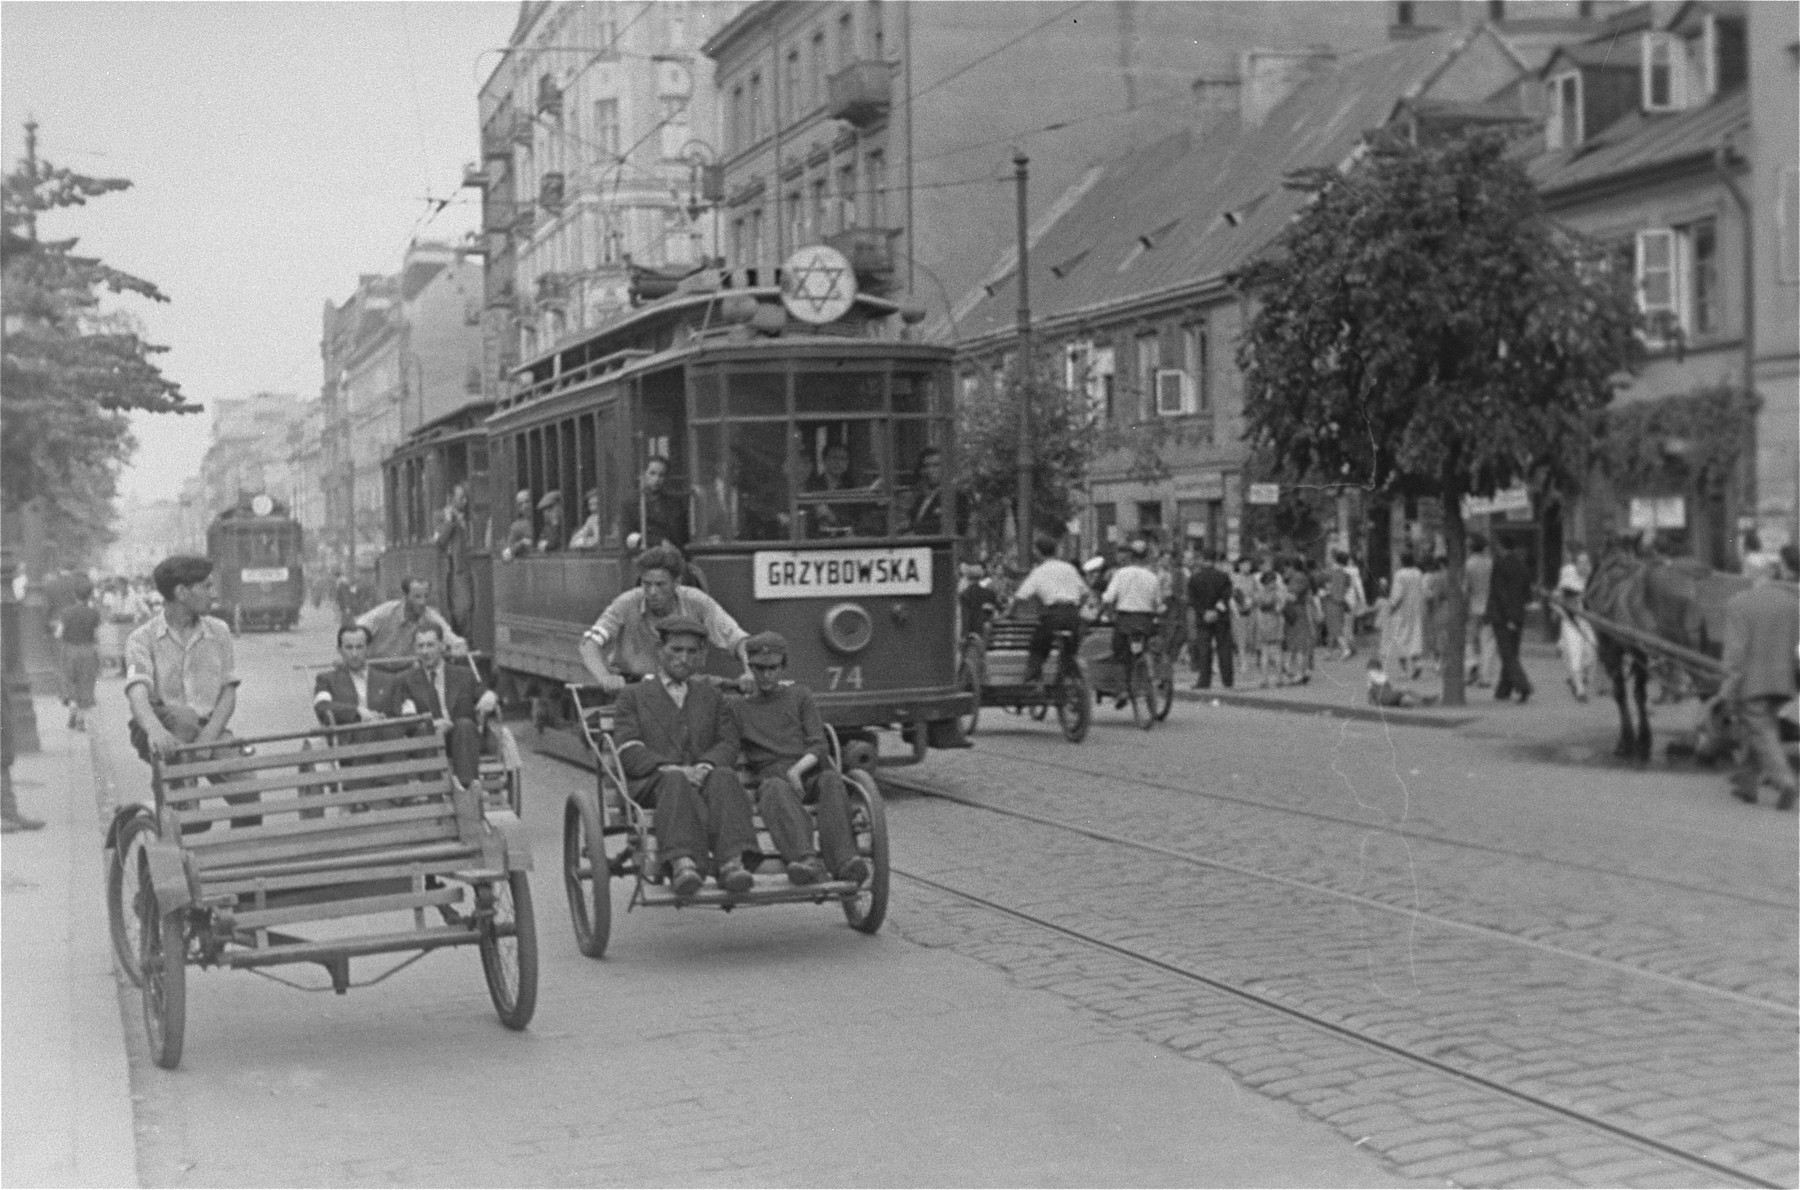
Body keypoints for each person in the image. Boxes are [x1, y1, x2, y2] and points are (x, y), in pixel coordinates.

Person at [612, 616, 758, 896]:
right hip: (654, 783)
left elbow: (727, 742)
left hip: (703, 777)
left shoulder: (711, 696)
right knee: (676, 782)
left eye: (692, 652)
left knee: (725, 776)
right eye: (676, 650)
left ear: (702, 656)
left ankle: (732, 863)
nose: (683, 658)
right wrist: (670, 768)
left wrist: (705, 765)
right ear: (660, 651)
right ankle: (683, 864)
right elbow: (627, 747)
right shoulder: (634, 696)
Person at [123, 555, 257, 828]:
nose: (214, 593)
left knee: (248, 794)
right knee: (189, 818)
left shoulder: (218, 631)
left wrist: (208, 738)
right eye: (206, 587)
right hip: (161, 729)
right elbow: (137, 693)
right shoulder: (141, 639)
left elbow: (228, 692)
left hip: (211, 729)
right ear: (182, 592)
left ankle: (241, 858)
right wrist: (156, 732)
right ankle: (179, 803)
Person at [729, 632, 871, 886]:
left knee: (830, 779)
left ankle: (845, 861)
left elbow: (818, 742)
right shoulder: (739, 708)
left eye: (773, 668)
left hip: (809, 771)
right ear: (750, 669)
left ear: (783, 666)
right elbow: (727, 744)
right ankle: (806, 862)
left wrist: (797, 770)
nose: (767, 675)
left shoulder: (799, 696)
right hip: (775, 779)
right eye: (759, 669)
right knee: (773, 787)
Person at [579, 544, 752, 693]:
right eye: (646, 584)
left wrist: (749, 671)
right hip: (634, 688)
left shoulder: (697, 601)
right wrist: (605, 677)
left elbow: (737, 639)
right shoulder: (627, 602)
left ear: (677, 582)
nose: (652, 592)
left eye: (660, 585)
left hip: (684, 688)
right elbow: (589, 643)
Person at [1721, 554, 1799, 809]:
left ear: (1754, 575)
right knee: (1759, 727)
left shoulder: (1740, 603)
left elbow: (1736, 652)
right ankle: (1747, 784)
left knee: (1761, 730)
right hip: (1784, 681)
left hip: (1752, 682)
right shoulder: (1792, 604)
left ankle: (1784, 780)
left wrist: (1727, 690)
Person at [384, 623, 499, 789]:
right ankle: (434, 793)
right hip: (427, 740)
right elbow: (402, 717)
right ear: (415, 649)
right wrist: (432, 724)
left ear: (442, 646)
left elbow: (484, 693)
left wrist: (490, 695)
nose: (425, 652)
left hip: (459, 739)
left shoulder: (463, 675)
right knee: (424, 730)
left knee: (465, 725)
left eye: (430, 645)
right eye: (420, 646)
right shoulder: (406, 680)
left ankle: (466, 790)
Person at [1009, 535, 1089, 686]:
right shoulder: (1069, 568)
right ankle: (1070, 672)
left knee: (1039, 644)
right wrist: (1077, 608)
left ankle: (1032, 675)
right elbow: (1085, 593)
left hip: (1053, 615)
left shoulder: (1039, 571)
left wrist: (1010, 613)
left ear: (1038, 552)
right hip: (1072, 615)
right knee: (1071, 648)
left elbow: (1020, 596)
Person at [356, 577, 466, 664]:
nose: (422, 602)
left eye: (426, 596)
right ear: (405, 596)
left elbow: (452, 638)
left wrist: (459, 646)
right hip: (377, 670)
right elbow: (356, 630)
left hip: (407, 673)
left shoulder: (430, 616)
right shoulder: (386, 611)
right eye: (417, 597)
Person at [312, 623, 392, 728]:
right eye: (349, 648)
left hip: (385, 738)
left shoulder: (386, 679)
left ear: (368, 649)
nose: (354, 654)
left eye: (359, 647)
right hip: (349, 740)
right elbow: (322, 706)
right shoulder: (326, 680)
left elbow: (398, 713)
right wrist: (357, 712)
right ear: (339, 650)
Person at [1102, 540, 1164, 666]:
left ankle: (1123, 679)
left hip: (1124, 621)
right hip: (1145, 621)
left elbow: (1108, 598)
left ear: (1130, 556)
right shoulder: (1152, 577)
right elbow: (1159, 604)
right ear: (1147, 556)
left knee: (1118, 652)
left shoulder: (1120, 574)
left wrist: (1108, 614)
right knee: (1151, 651)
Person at [1488, 541, 1533, 703]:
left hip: (1503, 617)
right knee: (1512, 651)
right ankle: (1503, 689)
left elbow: (1501, 594)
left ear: (1501, 547)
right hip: (1518, 615)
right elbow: (1527, 593)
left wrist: (1508, 617)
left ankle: (1523, 685)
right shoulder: (1522, 566)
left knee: (1507, 654)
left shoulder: (1500, 566)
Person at [1186, 549, 1235, 690]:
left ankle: (1204, 681)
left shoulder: (1195, 578)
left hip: (1203, 619)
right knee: (1224, 648)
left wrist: (1204, 612)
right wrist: (1216, 611)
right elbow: (1226, 596)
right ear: (1215, 561)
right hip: (1221, 618)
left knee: (1204, 650)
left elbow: (1192, 600)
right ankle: (1228, 680)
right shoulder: (1223, 577)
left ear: (1202, 559)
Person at [56, 581, 102, 731]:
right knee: (86, 684)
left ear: (74, 595)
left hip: (69, 650)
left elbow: (59, 634)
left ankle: (73, 709)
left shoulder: (66, 612)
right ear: (89, 595)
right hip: (88, 651)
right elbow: (96, 636)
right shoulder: (94, 613)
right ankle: (81, 719)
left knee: (70, 682)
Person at [1553, 546, 1596, 702]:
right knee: (1575, 654)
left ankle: (1578, 677)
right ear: (1575, 564)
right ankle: (1579, 690)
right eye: (1581, 562)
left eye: (1587, 562)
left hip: (1586, 621)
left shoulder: (1591, 578)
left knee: (1592, 650)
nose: (1585, 565)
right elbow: (1558, 599)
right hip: (1571, 621)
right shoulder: (1568, 578)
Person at [620, 455, 688, 551]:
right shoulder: (631, 504)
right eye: (652, 473)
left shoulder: (675, 503)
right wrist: (657, 542)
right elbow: (627, 537)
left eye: (661, 475)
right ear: (644, 474)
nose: (656, 479)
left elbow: (683, 537)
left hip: (671, 558)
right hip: (642, 558)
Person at [435, 482, 474, 636]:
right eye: (461, 498)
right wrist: (450, 522)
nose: (465, 502)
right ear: (450, 498)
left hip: (469, 566)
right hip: (456, 569)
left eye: (466, 498)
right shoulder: (441, 516)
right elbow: (440, 542)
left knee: (469, 607)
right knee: (462, 609)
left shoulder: (470, 516)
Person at [1386, 551, 1426, 680]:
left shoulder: (1400, 575)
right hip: (1416, 610)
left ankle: (1404, 671)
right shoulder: (1418, 573)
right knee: (1415, 637)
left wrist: (1391, 608)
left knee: (1400, 639)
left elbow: (1397, 595)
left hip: (1401, 612)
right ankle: (1417, 664)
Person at [1463, 535, 1496, 686]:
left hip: (1473, 605)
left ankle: (1471, 665)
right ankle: (1486, 677)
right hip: (1489, 606)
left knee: (1470, 640)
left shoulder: (1468, 564)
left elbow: (1465, 589)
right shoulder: (1491, 563)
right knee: (1487, 642)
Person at [903, 448, 947, 536]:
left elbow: (956, 526)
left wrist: (915, 534)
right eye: (927, 466)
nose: (930, 470)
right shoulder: (921, 498)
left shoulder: (956, 496)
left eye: (936, 465)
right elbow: (911, 523)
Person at [959, 561, 1001, 640]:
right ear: (980, 577)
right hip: (989, 635)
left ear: (968, 577)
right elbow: (998, 610)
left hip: (973, 636)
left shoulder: (965, 595)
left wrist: (964, 637)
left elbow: (966, 618)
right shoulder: (989, 593)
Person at [501, 489, 535, 560]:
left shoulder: (544, 518)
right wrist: (521, 543)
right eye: (520, 504)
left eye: (527, 501)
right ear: (518, 509)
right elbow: (506, 553)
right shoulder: (517, 526)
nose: (525, 506)